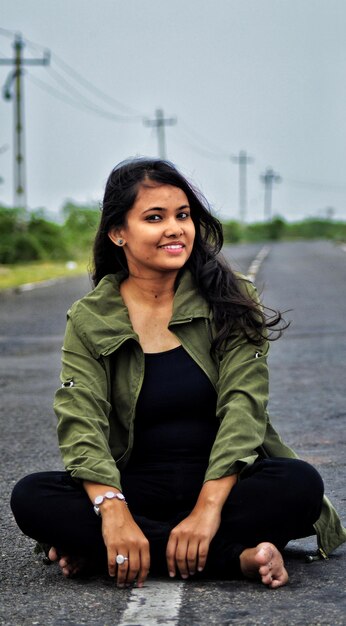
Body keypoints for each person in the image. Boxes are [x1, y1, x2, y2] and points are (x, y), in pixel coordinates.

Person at [11, 157, 346, 590]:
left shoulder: (231, 298)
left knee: (298, 484)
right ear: (118, 233)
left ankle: (114, 553)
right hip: (134, 486)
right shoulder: (91, 317)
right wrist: (112, 511)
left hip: (224, 483)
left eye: (183, 215)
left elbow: (244, 409)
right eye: (155, 218)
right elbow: (80, 418)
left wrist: (207, 510)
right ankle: (237, 557)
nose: (176, 228)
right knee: (31, 497)